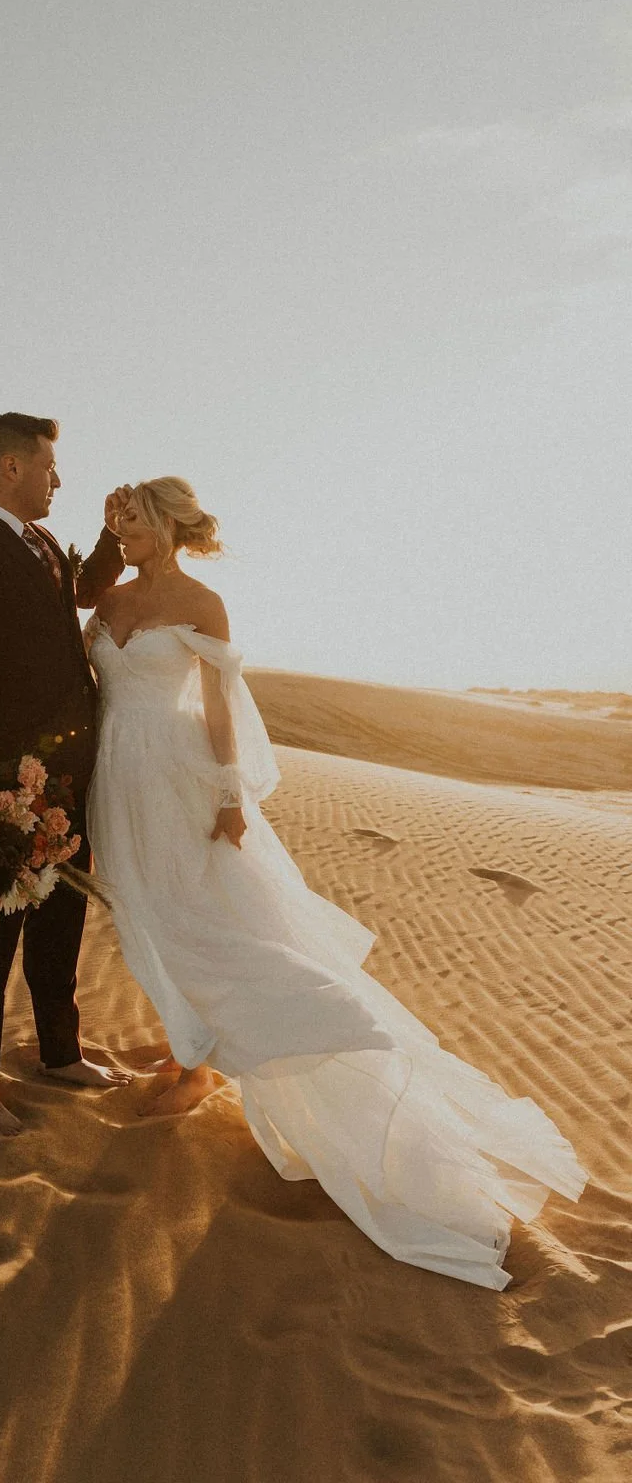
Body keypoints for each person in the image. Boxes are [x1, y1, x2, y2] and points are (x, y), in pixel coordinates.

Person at [84, 476, 588, 1288]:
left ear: (169, 526)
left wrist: (227, 797)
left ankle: (256, 1047)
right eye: (116, 521)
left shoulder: (203, 604)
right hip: (117, 777)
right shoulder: (103, 601)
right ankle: (194, 1048)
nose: (123, 531)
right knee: (147, 917)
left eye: (134, 520)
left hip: (180, 783)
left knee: (205, 923)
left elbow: (219, 707)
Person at [0, 412, 134, 1135]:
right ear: (10, 468)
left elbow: (80, 591)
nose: (57, 481)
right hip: (0, 781)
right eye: (48, 468)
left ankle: (60, 1053)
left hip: (70, 774)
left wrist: (109, 538)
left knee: (60, 920)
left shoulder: (39, 544)